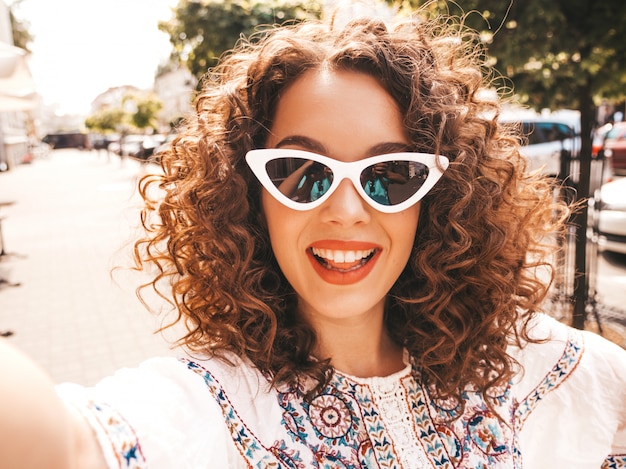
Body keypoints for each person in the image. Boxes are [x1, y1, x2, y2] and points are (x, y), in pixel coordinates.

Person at [1, 10, 626, 469]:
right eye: (301, 175)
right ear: (251, 198)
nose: (347, 211)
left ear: (438, 201)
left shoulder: (527, 366)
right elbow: (64, 444)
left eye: (390, 175)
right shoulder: (214, 406)